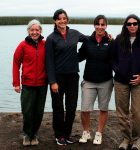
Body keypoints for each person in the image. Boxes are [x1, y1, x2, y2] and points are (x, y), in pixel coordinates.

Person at [45, 9, 87, 146]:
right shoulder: (51, 38)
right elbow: (49, 62)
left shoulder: (74, 33)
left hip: (73, 76)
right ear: (55, 21)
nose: (62, 21)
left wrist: (79, 57)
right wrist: (52, 81)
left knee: (71, 106)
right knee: (58, 107)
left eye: (64, 18)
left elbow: (89, 40)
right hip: (57, 78)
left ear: (67, 19)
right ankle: (59, 135)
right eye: (59, 19)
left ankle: (67, 134)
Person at [112, 14, 140, 150]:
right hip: (121, 82)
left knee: (139, 113)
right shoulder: (119, 40)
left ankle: (136, 140)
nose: (132, 26)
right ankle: (126, 139)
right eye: (129, 24)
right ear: (125, 26)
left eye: (135, 23)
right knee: (122, 112)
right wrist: (118, 70)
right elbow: (112, 58)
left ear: (139, 24)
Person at [78, 15, 113, 145]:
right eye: (97, 24)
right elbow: (79, 57)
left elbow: (117, 58)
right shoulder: (87, 41)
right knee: (85, 109)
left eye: (103, 24)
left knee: (103, 108)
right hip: (89, 81)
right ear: (94, 25)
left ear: (106, 26)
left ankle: (99, 134)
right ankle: (86, 132)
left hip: (106, 81)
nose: (100, 26)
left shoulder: (110, 41)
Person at [12, 19, 48, 146]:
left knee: (39, 111)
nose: (34, 32)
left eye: (37, 30)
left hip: (42, 84)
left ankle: (35, 134)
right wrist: (16, 83)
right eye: (32, 30)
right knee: (27, 111)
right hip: (28, 84)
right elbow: (16, 63)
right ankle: (27, 134)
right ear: (28, 31)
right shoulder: (22, 45)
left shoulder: (45, 44)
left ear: (40, 31)